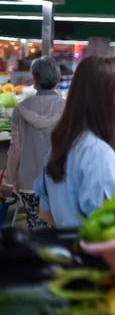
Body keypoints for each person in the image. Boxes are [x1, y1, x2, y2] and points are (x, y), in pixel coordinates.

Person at [34, 56, 115, 228]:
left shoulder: (59, 146)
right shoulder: (99, 153)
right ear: (106, 102)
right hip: (94, 251)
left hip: (68, 248)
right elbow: (110, 222)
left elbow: (44, 212)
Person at [3, 56, 65, 229]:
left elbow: (15, 148)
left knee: (35, 225)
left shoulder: (20, 109)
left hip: (28, 182)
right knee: (59, 229)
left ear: (35, 79)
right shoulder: (68, 108)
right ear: (57, 78)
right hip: (60, 180)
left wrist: (8, 181)